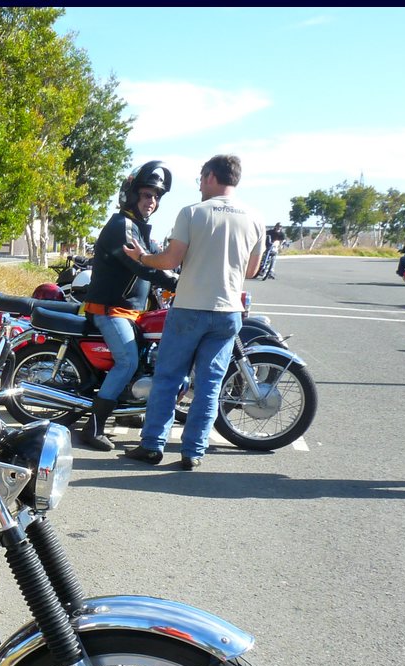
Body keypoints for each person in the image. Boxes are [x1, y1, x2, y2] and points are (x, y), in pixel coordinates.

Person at [121, 154, 265, 471]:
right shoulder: (255, 218)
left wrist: (142, 258)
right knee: (210, 385)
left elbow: (170, 260)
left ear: (211, 176)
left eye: (201, 178)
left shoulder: (192, 213)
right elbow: (252, 270)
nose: (200, 185)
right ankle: (193, 451)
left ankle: (152, 445)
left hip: (189, 308)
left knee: (168, 378)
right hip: (228, 311)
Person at [77, 161, 179, 450]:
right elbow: (143, 267)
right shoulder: (121, 227)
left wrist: (182, 272)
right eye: (147, 195)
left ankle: (131, 408)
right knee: (128, 362)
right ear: (132, 195)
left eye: (156, 196)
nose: (152, 201)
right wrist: (176, 283)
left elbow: (160, 259)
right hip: (109, 311)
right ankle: (93, 427)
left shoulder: (140, 228)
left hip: (128, 312)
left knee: (145, 357)